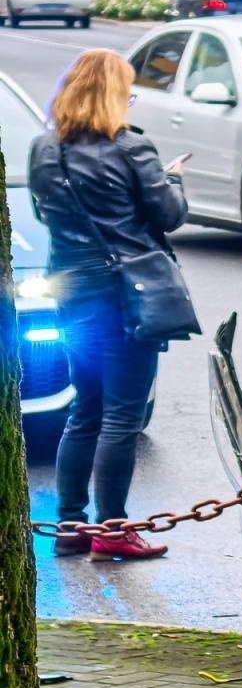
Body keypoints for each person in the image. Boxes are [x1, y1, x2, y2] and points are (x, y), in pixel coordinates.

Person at [28, 49, 189, 562]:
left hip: (73, 294)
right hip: (127, 298)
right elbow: (169, 215)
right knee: (122, 416)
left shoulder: (42, 149)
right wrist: (173, 178)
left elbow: (44, 211)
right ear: (116, 95)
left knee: (85, 410)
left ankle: (71, 527)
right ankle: (113, 531)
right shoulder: (132, 150)